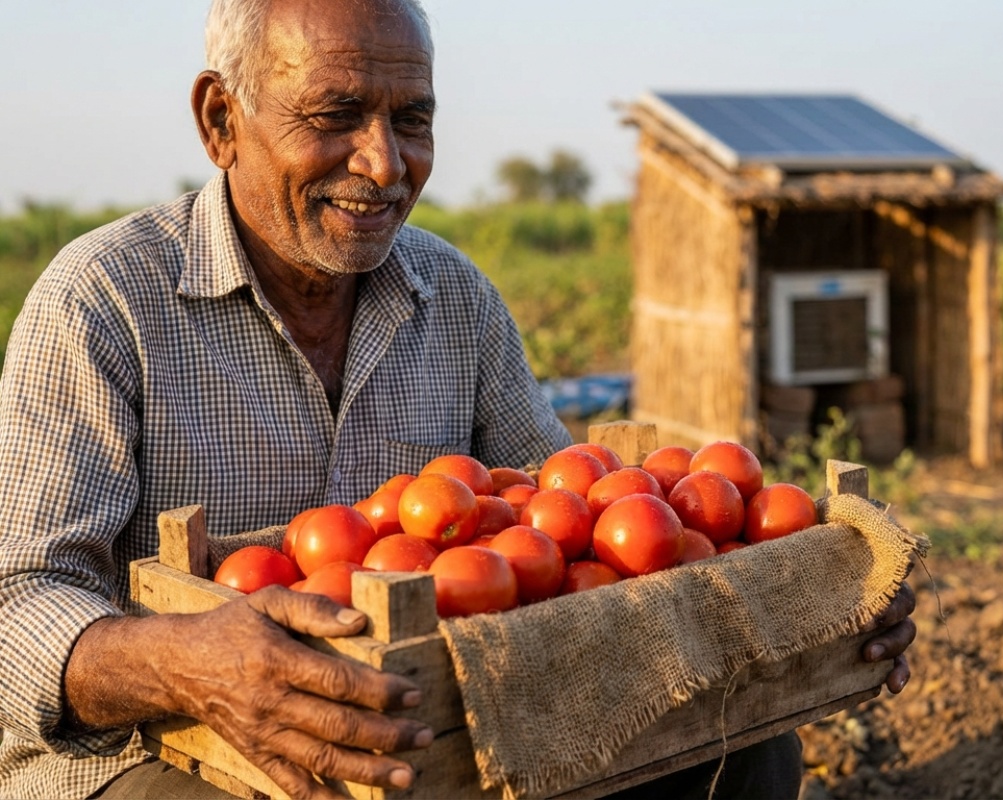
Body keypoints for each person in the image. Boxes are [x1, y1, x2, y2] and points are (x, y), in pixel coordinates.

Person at [0, 1, 916, 798]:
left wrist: (804, 592)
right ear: (220, 120)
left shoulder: (454, 298)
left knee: (743, 761)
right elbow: (16, 605)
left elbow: (570, 524)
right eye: (336, 115)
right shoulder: (103, 303)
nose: (384, 163)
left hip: (434, 738)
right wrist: (185, 664)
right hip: (154, 755)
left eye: (414, 120)